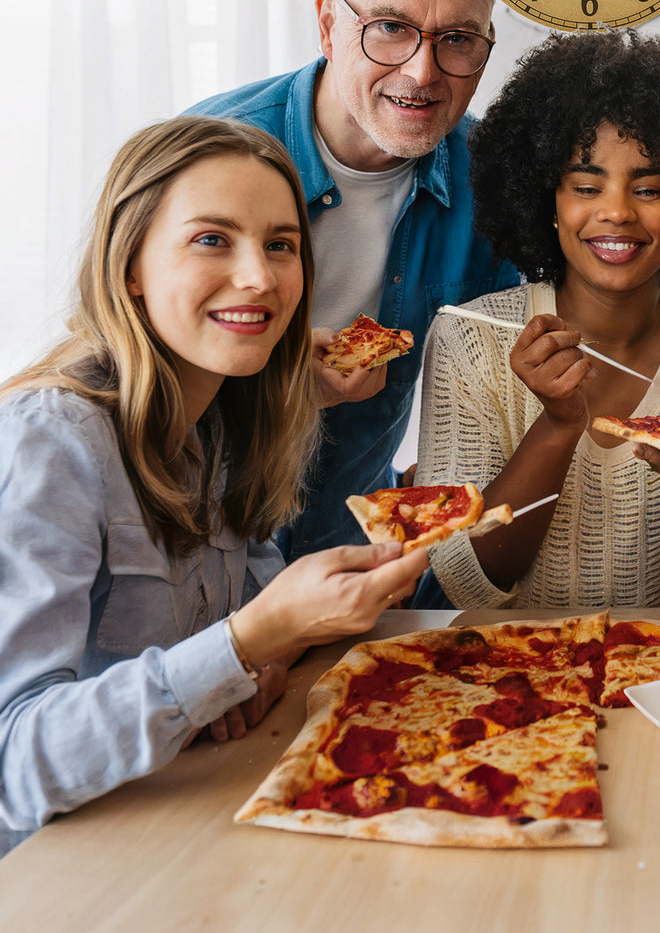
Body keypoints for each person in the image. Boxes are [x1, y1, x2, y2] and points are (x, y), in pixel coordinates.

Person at [0, 117, 428, 856]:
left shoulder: (224, 413)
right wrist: (253, 639)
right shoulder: (50, 439)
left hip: (180, 822)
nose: (260, 277)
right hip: (58, 873)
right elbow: (12, 764)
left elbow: (242, 616)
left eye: (281, 245)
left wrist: (253, 663)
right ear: (130, 264)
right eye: (211, 239)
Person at [189, 0, 518, 562]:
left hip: (354, 562)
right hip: (191, 557)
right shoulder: (201, 156)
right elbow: (119, 382)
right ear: (328, 23)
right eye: (391, 28)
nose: (423, 72)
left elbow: (499, 393)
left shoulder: (498, 185)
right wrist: (280, 383)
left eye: (457, 38)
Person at [413, 29, 660, 609]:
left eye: (650, 188)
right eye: (586, 185)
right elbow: (467, 583)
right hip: (508, 683)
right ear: (547, 201)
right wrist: (558, 424)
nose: (616, 211)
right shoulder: (470, 338)